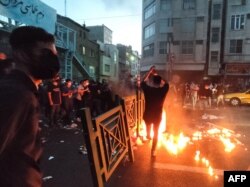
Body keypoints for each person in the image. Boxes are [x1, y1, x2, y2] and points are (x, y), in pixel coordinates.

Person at [0, 26, 60, 186]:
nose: (53, 61)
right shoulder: (16, 94)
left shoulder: (26, 91)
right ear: (21, 54)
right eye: (46, 54)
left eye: (55, 55)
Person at [141, 66, 169, 157]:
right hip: (157, 115)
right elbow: (167, 83)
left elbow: (142, 82)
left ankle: (148, 135)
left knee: (148, 124)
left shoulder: (148, 89)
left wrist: (150, 72)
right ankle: (153, 151)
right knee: (156, 132)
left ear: (152, 82)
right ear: (160, 82)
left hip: (147, 114)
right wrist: (157, 74)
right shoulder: (162, 90)